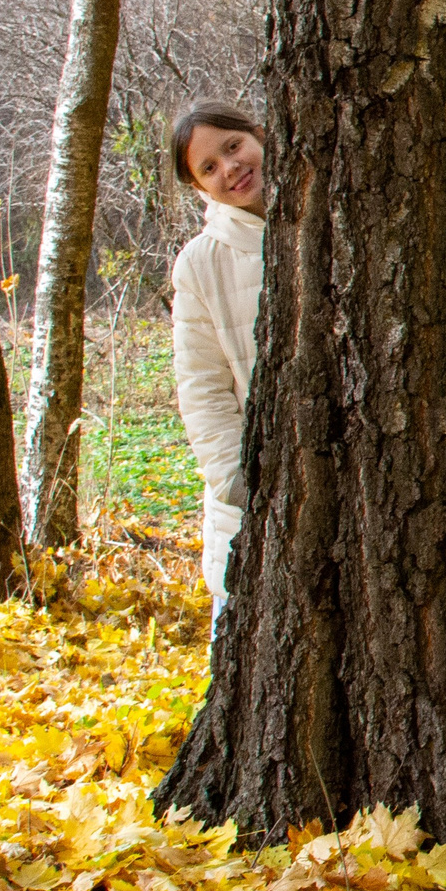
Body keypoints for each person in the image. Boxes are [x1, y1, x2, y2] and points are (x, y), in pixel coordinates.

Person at [169, 102, 268, 619]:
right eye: (208, 167)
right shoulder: (200, 263)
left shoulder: (337, 218)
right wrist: (240, 479)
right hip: (252, 500)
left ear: (258, 134)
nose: (229, 167)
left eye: (233, 147)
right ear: (199, 188)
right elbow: (201, 388)